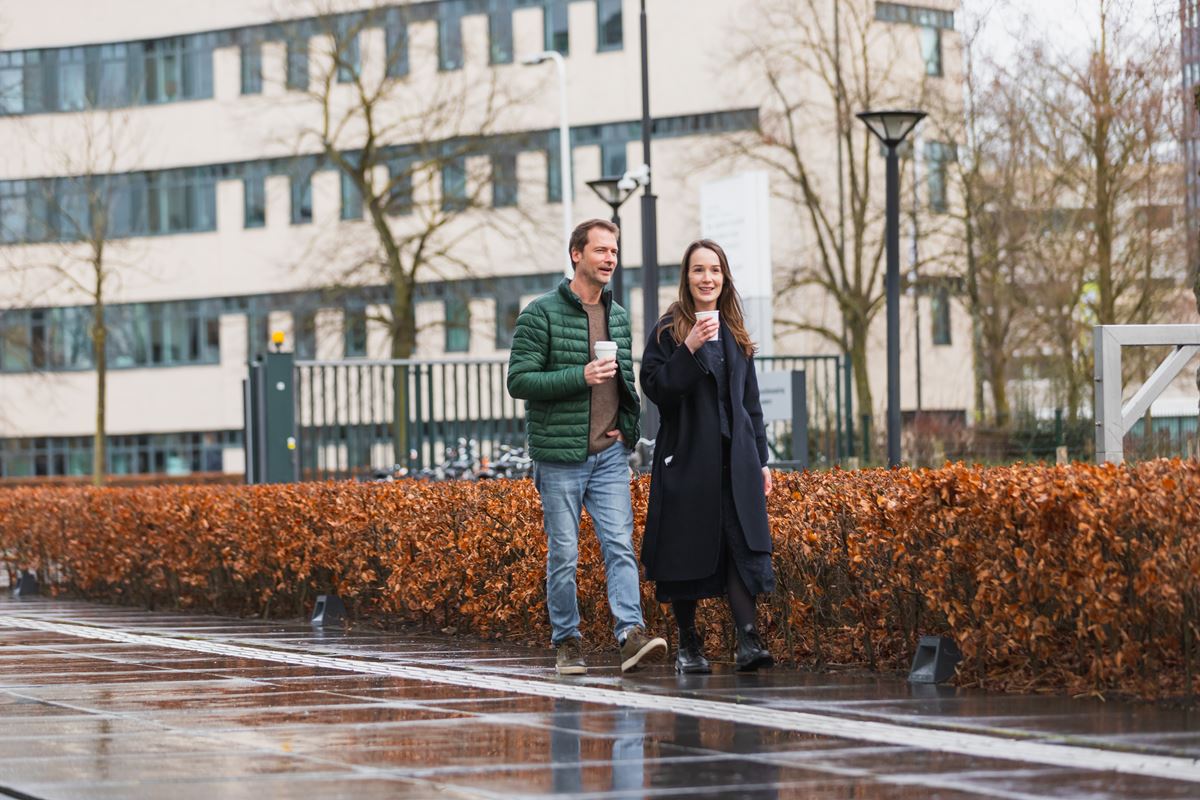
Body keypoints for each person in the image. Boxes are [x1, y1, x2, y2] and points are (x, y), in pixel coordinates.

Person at [507, 218, 667, 675]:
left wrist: (628, 428)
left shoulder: (617, 315)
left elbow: (628, 382)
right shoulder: (540, 313)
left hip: (609, 456)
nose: (610, 259)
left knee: (619, 545)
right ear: (577, 254)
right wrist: (580, 377)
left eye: (614, 251)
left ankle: (630, 635)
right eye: (601, 250)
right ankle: (567, 642)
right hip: (559, 459)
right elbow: (518, 380)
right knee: (564, 554)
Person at [639, 238, 775, 673]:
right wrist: (690, 347)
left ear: (724, 278)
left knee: (740, 547)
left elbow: (750, 404)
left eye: (714, 270)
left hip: (734, 463)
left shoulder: (736, 333)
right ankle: (688, 645)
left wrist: (762, 459)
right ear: (687, 277)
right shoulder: (667, 330)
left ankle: (748, 641)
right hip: (687, 461)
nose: (707, 278)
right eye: (699, 270)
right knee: (686, 553)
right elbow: (656, 389)